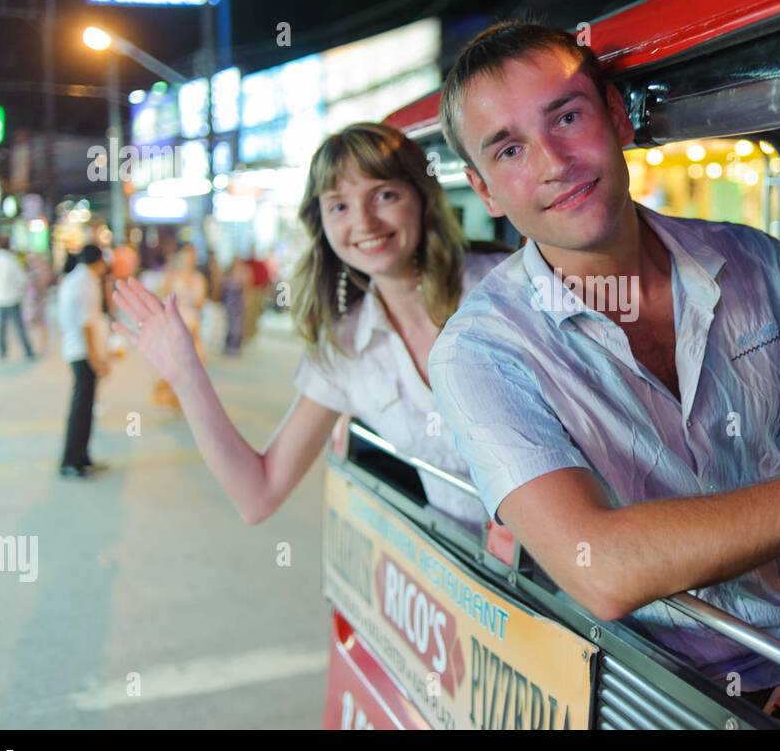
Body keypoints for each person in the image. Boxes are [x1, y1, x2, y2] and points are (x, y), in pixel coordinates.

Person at [428, 22, 780, 727]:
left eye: (567, 117)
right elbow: (604, 568)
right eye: (510, 149)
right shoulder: (480, 353)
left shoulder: (758, 264)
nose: (554, 161)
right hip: (692, 697)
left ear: (618, 117)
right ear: (486, 190)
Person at [112, 122, 508, 531]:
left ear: (421, 200)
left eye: (385, 195)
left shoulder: (502, 288)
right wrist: (186, 374)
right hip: (463, 581)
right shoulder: (344, 346)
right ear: (321, 222)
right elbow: (258, 495)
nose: (365, 222)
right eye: (339, 206)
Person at [57, 244, 110, 477]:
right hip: (82, 352)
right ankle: (72, 460)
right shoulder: (86, 282)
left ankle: (81, 457)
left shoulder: (75, 278)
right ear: (97, 262)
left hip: (76, 349)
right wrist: (95, 358)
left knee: (85, 407)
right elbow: (86, 324)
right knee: (81, 407)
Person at [149, 245, 208, 410]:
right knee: (175, 361)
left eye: (193, 256)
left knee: (195, 363)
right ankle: (173, 396)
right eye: (187, 256)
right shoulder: (171, 276)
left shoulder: (198, 278)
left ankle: (183, 399)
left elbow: (201, 301)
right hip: (176, 322)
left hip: (193, 323)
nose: (190, 259)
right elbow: (162, 297)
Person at [0, 239, 36, 360]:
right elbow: (22, 280)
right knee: (19, 327)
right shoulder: (12, 260)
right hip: (14, 298)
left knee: (0, 327)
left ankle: (2, 352)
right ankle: (28, 350)